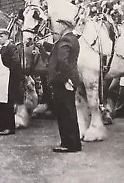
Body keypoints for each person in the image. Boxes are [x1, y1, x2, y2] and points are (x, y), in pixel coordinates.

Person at [47, 19, 82, 153]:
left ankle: (69, 144)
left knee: (65, 113)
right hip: (66, 80)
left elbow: (62, 61)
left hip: (62, 81)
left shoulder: (65, 40)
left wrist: (66, 80)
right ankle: (72, 143)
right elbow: (59, 54)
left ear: (64, 26)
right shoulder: (72, 39)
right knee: (68, 111)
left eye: (59, 25)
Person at [0, 28, 22, 136]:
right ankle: (0, 126)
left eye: (1, 36)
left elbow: (15, 62)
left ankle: (9, 127)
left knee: (7, 104)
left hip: (6, 79)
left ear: (7, 36)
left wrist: (9, 75)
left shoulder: (11, 47)